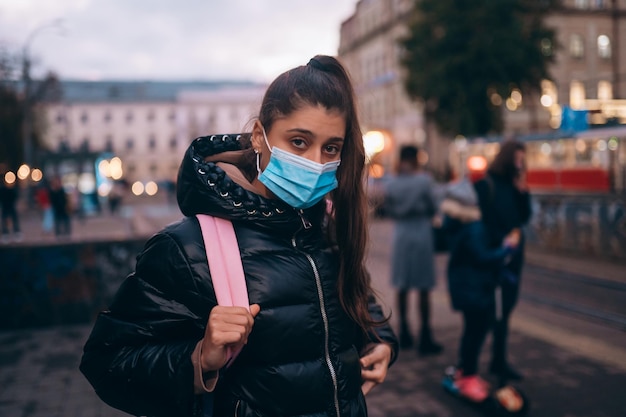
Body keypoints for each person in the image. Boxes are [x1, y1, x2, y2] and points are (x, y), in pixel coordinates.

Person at [79, 55, 398, 417]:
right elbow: (107, 362)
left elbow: (358, 299)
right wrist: (199, 359)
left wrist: (380, 342)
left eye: (331, 148)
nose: (315, 162)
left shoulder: (327, 227)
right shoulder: (189, 248)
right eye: (298, 142)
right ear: (260, 136)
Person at [440, 177, 520, 402]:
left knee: (471, 330)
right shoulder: (473, 227)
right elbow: (483, 257)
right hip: (475, 287)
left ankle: (466, 373)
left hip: (464, 286)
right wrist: (507, 249)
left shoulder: (455, 224)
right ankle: (468, 376)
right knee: (476, 331)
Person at [474, 140, 531, 381]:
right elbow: (482, 221)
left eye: (522, 160)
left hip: (513, 257)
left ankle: (499, 360)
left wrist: (523, 191)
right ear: (507, 159)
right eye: (517, 159)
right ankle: (468, 365)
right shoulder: (487, 185)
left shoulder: (514, 186)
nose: (520, 164)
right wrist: (502, 240)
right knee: (485, 314)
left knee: (505, 310)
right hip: (492, 256)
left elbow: (524, 217)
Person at [382, 145, 443, 356]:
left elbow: (386, 208)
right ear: (417, 158)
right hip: (421, 233)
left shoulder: (391, 181)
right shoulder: (424, 180)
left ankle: (405, 333)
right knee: (424, 286)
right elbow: (434, 207)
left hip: (401, 235)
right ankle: (425, 334)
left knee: (402, 284)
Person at [0, 178, 21, 243]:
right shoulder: (2, 189)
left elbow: (16, 196)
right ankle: (5, 234)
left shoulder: (13, 189)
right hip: (5, 207)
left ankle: (17, 233)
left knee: (14, 220)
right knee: (4, 221)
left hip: (11, 206)